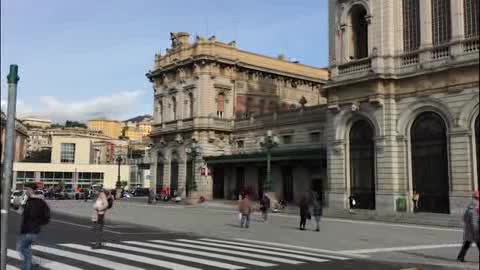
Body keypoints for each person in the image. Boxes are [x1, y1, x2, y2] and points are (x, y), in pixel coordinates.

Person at [18, 183, 50, 270]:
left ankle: (29, 267)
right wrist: (38, 223)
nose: (25, 191)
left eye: (26, 189)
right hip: (35, 230)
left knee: (22, 249)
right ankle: (32, 265)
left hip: (28, 230)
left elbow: (21, 212)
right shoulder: (41, 201)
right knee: (26, 248)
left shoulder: (30, 202)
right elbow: (47, 217)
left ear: (31, 190)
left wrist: (22, 201)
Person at [456, 191, 479, 262]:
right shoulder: (475, 210)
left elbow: (464, 218)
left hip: (468, 230)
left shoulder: (468, 208)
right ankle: (460, 257)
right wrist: (476, 231)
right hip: (475, 232)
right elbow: (474, 222)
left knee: (466, 244)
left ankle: (460, 257)